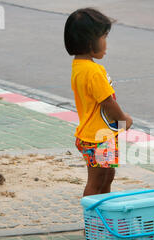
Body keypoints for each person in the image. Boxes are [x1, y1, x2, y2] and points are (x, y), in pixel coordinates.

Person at [64, 8, 133, 197]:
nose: (106, 42)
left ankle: (103, 216)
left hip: (97, 136)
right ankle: (93, 223)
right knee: (96, 182)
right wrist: (123, 119)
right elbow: (107, 102)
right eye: (104, 37)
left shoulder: (80, 67)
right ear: (89, 42)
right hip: (98, 138)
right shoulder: (94, 72)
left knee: (107, 176)